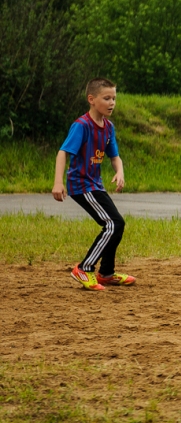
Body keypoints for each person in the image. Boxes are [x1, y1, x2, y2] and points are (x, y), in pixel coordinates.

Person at [52, 78, 135, 291]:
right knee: (112, 224)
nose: (112, 103)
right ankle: (84, 268)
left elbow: (115, 156)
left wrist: (120, 171)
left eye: (114, 98)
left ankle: (106, 273)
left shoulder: (108, 128)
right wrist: (58, 182)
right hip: (80, 185)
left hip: (95, 184)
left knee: (117, 224)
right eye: (106, 98)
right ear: (91, 99)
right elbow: (63, 152)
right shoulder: (81, 126)